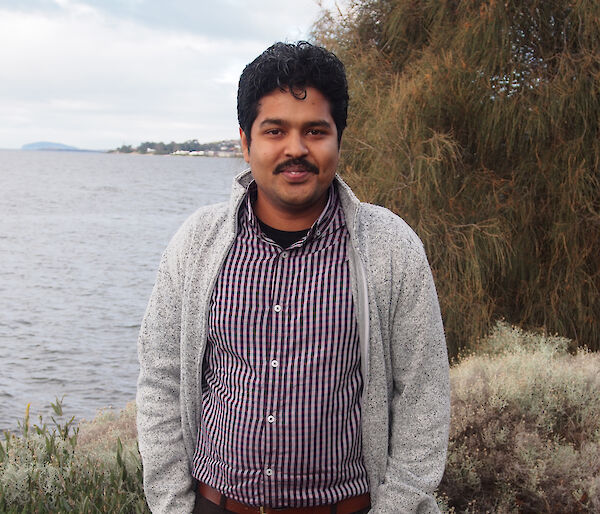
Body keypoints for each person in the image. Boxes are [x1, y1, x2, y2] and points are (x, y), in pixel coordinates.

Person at [137, 41, 450, 514]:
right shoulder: (197, 243)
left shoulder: (390, 247)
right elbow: (161, 379)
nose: (296, 149)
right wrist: (171, 505)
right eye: (275, 130)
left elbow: (423, 395)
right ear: (246, 142)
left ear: (338, 140)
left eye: (315, 131)